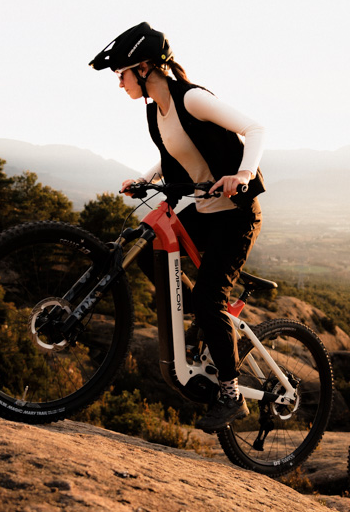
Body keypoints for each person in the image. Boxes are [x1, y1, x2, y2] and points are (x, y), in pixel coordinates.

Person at [90, 22, 266, 432]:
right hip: (204, 211)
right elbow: (175, 153)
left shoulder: (192, 99)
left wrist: (243, 174)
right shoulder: (156, 111)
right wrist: (145, 178)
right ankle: (200, 317)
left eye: (122, 74)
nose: (119, 83)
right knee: (148, 243)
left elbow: (255, 129)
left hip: (236, 216)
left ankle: (231, 394)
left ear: (145, 68)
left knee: (209, 297)